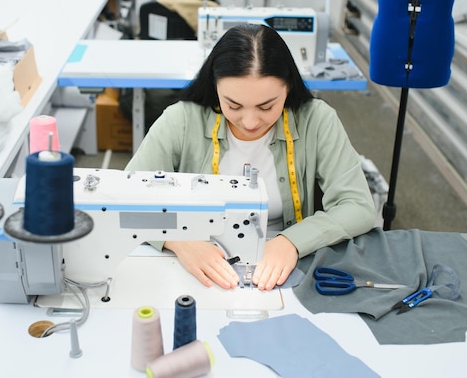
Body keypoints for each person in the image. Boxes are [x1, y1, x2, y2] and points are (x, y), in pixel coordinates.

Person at [124, 23, 376, 291]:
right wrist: (178, 241)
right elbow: (127, 198)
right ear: (215, 86)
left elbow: (357, 206)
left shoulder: (317, 120)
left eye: (267, 106)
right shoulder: (182, 120)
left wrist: (291, 242)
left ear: (288, 87)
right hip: (197, 265)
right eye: (233, 105)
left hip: (286, 265)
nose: (251, 122)